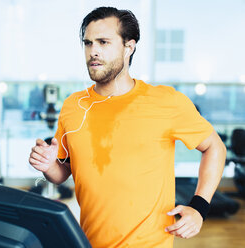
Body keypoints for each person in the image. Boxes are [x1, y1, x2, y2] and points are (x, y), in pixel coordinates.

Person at [28, 7, 226, 248]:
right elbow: (63, 173)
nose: (94, 51)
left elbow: (214, 147)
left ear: (129, 47)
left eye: (103, 42)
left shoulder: (166, 102)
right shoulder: (74, 106)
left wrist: (199, 207)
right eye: (88, 43)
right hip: (89, 242)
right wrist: (48, 165)